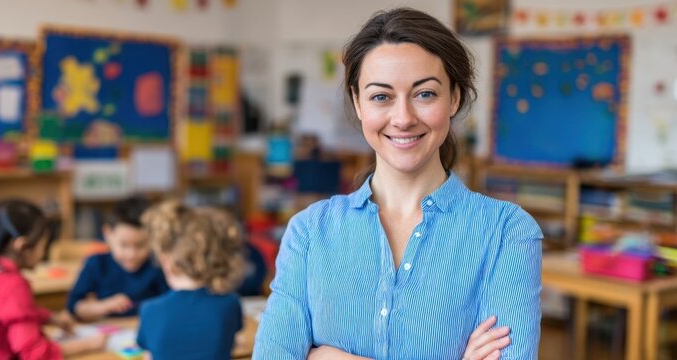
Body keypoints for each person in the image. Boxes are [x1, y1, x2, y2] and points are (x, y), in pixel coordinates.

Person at [254, 7, 543, 360]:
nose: (403, 118)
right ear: (358, 102)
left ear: (453, 98)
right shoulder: (309, 233)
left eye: (425, 94)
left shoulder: (507, 232)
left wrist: (327, 357)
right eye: (381, 96)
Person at [0, 199, 106, 359]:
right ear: (22, 245)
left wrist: (50, 317)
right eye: (43, 245)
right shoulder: (13, 285)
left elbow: (8, 312)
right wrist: (87, 344)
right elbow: (34, 353)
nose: (43, 253)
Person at [137, 201, 245, 360]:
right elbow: (231, 344)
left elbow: (150, 356)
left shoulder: (150, 310)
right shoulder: (230, 303)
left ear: (166, 261)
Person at [66, 196, 168, 321]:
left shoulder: (157, 265)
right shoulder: (97, 263)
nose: (132, 254)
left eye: (141, 245)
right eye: (124, 245)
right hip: (111, 332)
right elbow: (74, 307)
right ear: (107, 234)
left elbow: (171, 304)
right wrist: (103, 306)